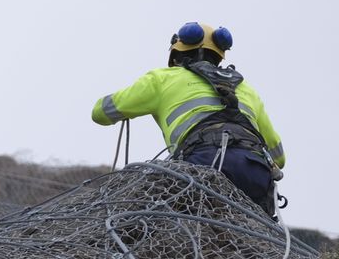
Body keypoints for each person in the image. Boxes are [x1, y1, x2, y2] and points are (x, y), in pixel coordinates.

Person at [92, 22, 287, 215]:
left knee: (166, 224)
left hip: (201, 163)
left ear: (177, 54)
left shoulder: (162, 79)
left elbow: (100, 113)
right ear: (219, 56)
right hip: (255, 171)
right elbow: (279, 157)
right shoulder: (247, 90)